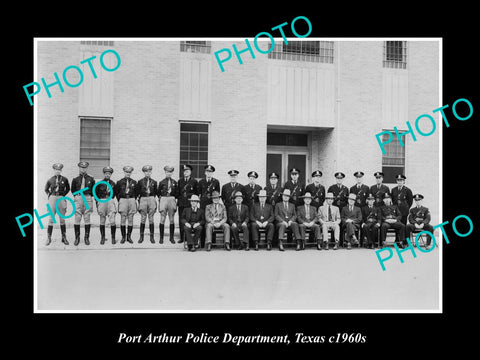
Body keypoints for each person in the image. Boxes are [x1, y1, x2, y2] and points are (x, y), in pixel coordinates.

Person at [44, 163, 70, 245]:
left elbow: (68, 188)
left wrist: (62, 195)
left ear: (61, 170)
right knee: (51, 219)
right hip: (52, 198)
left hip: (61, 198)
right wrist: (50, 196)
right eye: (56, 170)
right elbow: (46, 189)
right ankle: (48, 238)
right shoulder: (50, 179)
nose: (57, 171)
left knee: (62, 219)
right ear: (54, 170)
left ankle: (64, 237)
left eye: (59, 170)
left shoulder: (65, 179)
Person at [71, 161, 95, 246]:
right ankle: (77, 238)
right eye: (81, 167)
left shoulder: (91, 179)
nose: (83, 169)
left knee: (87, 217)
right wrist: (77, 197)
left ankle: (86, 238)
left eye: (85, 168)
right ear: (79, 168)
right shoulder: (75, 179)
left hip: (87, 197)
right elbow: (73, 190)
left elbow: (93, 190)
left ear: (87, 168)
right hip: (78, 197)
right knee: (77, 217)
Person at [114, 166, 137, 244]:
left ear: (131, 173)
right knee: (123, 218)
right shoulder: (119, 182)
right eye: (126, 172)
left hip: (131, 199)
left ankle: (129, 237)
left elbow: (136, 192)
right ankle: (123, 237)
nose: (128, 173)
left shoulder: (134, 182)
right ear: (124, 172)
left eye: (129, 172)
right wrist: (120, 199)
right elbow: (116, 192)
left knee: (130, 218)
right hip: (123, 200)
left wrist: (133, 199)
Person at [136, 165, 158, 244]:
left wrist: (151, 199)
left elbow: (155, 192)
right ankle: (141, 237)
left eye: (149, 171)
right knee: (143, 218)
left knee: (151, 218)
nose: (147, 173)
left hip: (151, 198)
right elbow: (137, 192)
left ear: (151, 172)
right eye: (146, 172)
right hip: (143, 199)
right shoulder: (140, 182)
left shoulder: (154, 182)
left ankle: (152, 237)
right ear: (144, 172)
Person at [96, 166, 117, 245]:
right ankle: (102, 237)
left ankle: (113, 238)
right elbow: (96, 194)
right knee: (102, 220)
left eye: (109, 174)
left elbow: (115, 193)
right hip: (102, 200)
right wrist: (98, 202)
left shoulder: (113, 183)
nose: (107, 175)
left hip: (110, 201)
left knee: (112, 221)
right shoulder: (99, 183)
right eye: (106, 173)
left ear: (111, 174)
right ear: (104, 174)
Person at [157, 165, 178, 244]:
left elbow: (177, 192)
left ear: (172, 173)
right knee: (162, 218)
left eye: (170, 172)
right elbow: (158, 192)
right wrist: (162, 198)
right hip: (164, 199)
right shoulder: (162, 182)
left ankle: (171, 238)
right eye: (167, 172)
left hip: (172, 199)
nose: (168, 174)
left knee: (171, 219)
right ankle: (161, 238)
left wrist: (172, 198)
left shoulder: (174, 182)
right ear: (165, 172)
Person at [177, 164, 198, 243]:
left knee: (190, 219)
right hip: (182, 203)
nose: (185, 173)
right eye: (184, 171)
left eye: (187, 171)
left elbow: (196, 193)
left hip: (190, 204)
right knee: (181, 220)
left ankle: (189, 236)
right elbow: (178, 192)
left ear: (190, 172)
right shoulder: (180, 181)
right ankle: (182, 237)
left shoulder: (194, 181)